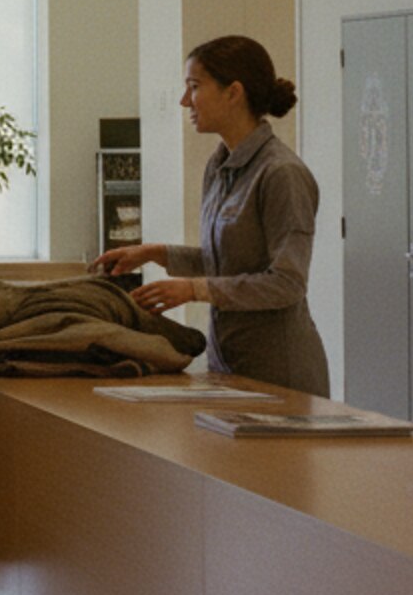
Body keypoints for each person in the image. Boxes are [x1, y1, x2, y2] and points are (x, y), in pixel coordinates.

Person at [94, 36, 330, 396]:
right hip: (229, 364)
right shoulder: (219, 165)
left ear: (233, 92)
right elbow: (229, 262)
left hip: (279, 371)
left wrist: (193, 289)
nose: (184, 101)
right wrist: (154, 253)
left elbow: (286, 283)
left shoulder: (282, 174)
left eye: (194, 87)